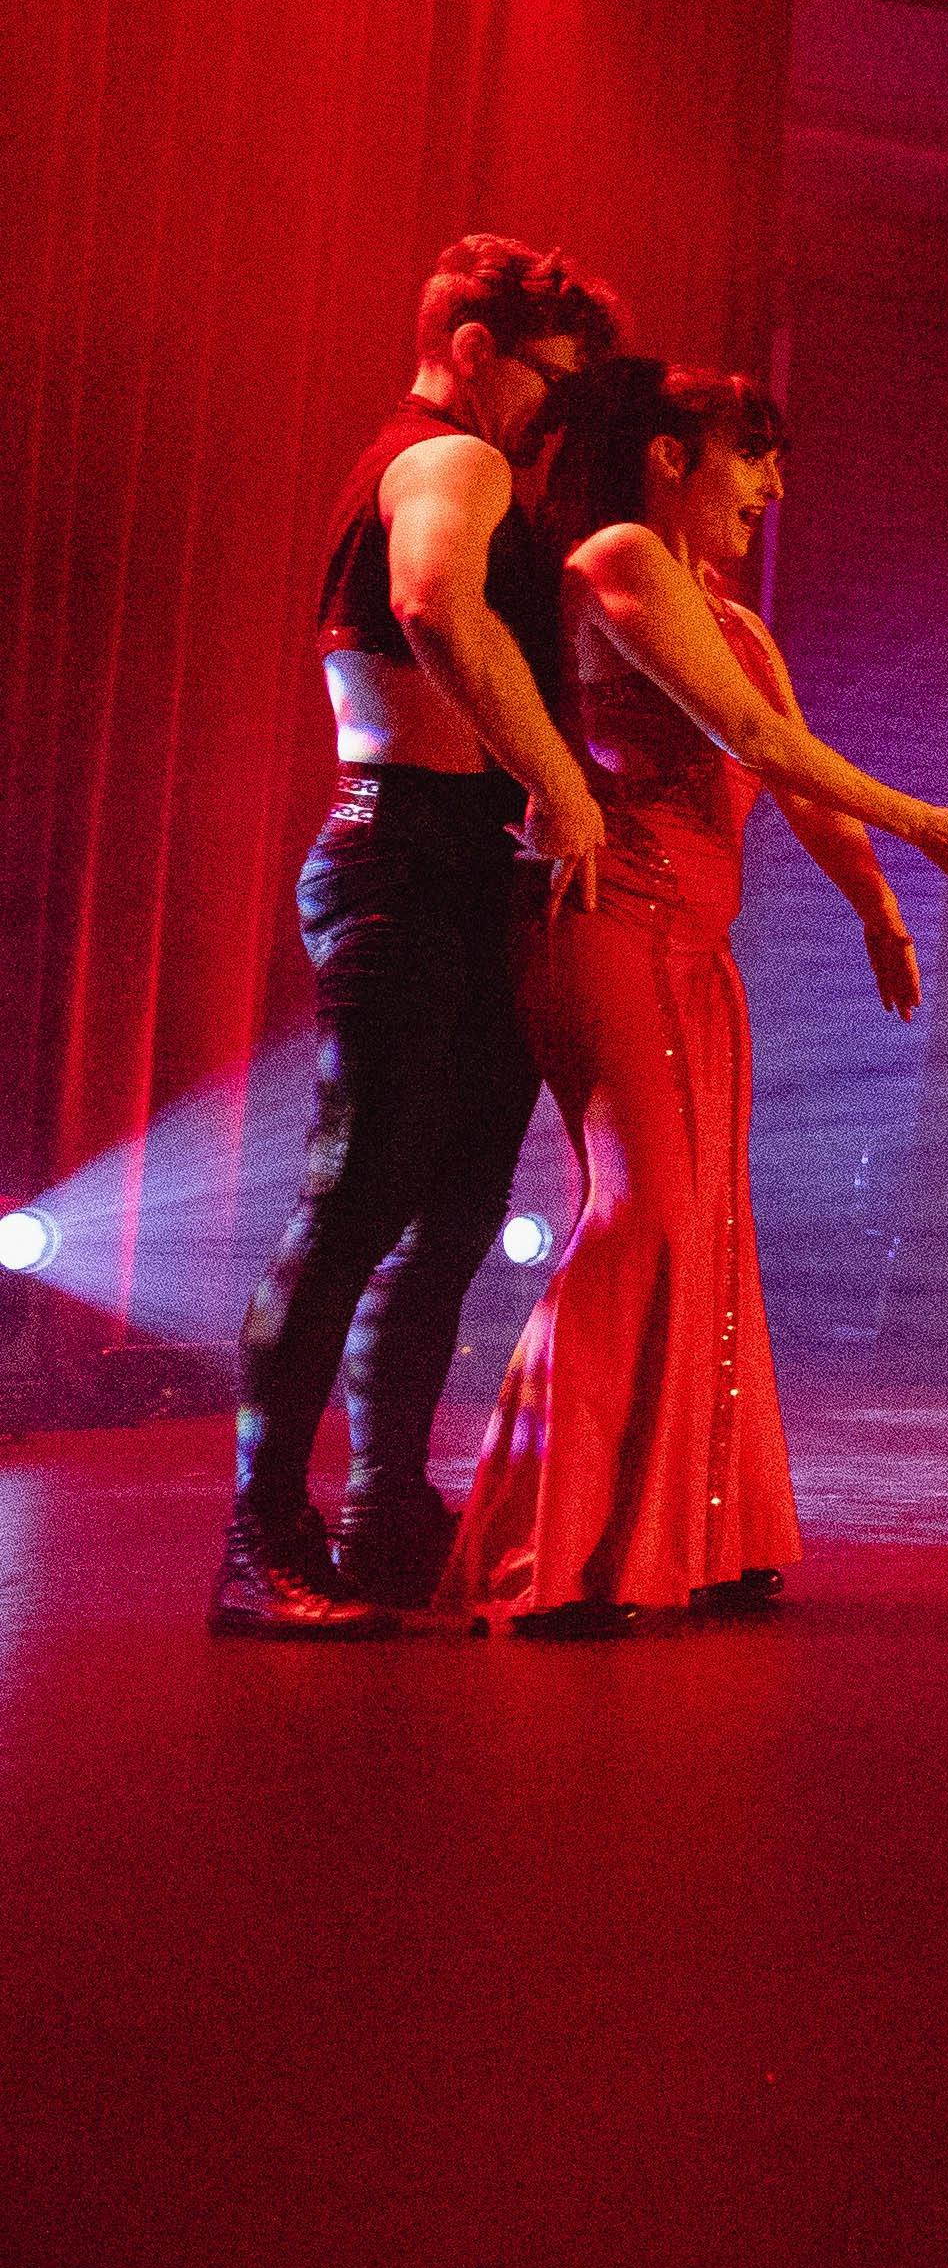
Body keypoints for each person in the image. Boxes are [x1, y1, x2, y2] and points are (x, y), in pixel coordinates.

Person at [433, 365, 948, 1634]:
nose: (771, 485)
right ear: (666, 456)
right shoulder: (622, 555)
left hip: (696, 949)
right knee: (642, 1216)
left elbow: (794, 778)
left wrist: (875, 905)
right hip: (612, 925)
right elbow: (756, 741)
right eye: (750, 454)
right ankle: (559, 1549)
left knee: (704, 1229)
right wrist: (924, 822)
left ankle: (695, 1535)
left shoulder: (726, 613)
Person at [224, 239, 625, 1635]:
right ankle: (261, 1540)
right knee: (358, 1203)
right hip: (410, 847)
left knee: (444, 1212)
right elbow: (430, 602)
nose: (546, 412)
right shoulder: (450, 459)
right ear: (470, 346)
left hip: (444, 855)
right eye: (540, 377)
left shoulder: (438, 455)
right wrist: (563, 787)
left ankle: (387, 1511)